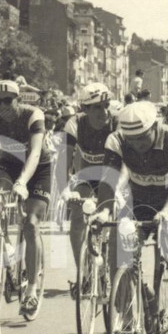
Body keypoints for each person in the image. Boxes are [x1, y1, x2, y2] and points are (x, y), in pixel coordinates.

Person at [94, 101, 168, 334]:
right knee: (119, 257)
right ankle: (130, 315)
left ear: (155, 127)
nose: (137, 145)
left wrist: (167, 212)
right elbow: (108, 179)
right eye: (132, 140)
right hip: (139, 204)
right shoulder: (117, 140)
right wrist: (105, 210)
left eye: (142, 138)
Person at [0, 79, 50, 317]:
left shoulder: (33, 115)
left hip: (38, 168)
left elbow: (36, 152)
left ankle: (31, 289)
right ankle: (4, 243)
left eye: (7, 100)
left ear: (18, 99)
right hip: (7, 166)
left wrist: (22, 182)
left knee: (30, 224)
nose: (2, 106)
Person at [63, 82, 116, 295]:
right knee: (77, 218)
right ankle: (84, 274)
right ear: (84, 109)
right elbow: (64, 164)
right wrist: (67, 190)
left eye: (106, 105)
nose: (103, 111)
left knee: (113, 220)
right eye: (96, 107)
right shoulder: (74, 124)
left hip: (112, 176)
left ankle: (115, 271)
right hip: (85, 176)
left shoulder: (117, 122)